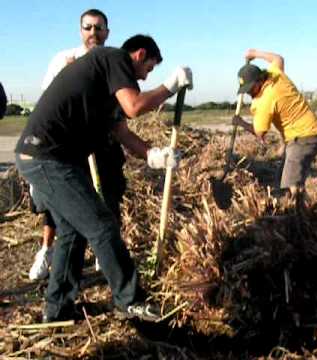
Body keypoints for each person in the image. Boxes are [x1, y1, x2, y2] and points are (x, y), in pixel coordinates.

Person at [15, 34, 193, 322]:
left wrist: (152, 155)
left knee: (72, 234)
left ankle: (58, 309)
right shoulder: (114, 58)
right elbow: (135, 106)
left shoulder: (106, 90)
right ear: (139, 54)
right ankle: (129, 301)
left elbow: (122, 133)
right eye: (149, 69)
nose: (146, 78)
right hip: (46, 157)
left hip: (49, 158)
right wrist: (170, 86)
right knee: (101, 225)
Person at [29, 9, 116, 280]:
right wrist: (67, 75)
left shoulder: (111, 61)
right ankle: (46, 251)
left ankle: (106, 253)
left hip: (99, 140)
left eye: (99, 28)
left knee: (107, 195)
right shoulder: (63, 59)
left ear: (107, 33)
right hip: (64, 146)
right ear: (81, 31)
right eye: (88, 27)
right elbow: (47, 99)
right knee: (59, 206)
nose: (93, 33)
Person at [232, 49, 317, 198]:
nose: (249, 93)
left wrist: (240, 122)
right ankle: (297, 208)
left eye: (250, 88)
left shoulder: (264, 100)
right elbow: (278, 58)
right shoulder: (275, 75)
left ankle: (300, 216)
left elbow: (259, 133)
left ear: (259, 81)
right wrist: (255, 53)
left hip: (305, 138)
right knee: (281, 180)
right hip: (304, 134)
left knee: (290, 185)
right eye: (246, 90)